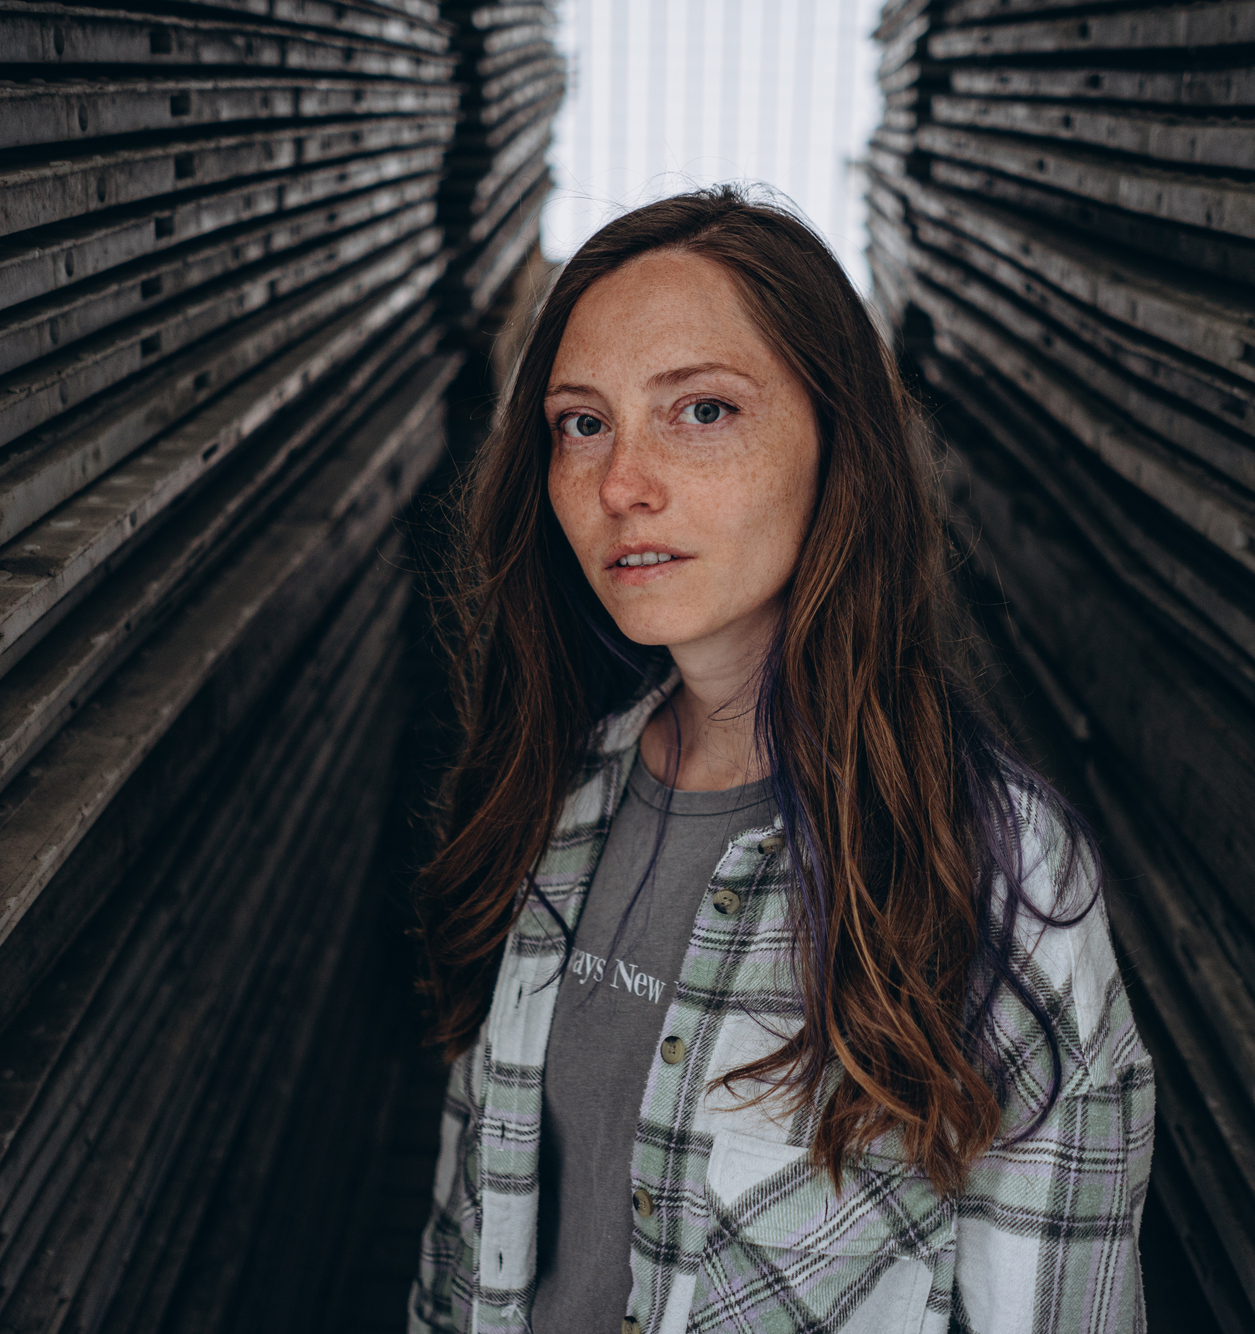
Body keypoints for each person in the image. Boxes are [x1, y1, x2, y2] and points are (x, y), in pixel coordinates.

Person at [408, 186, 1154, 1334]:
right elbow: (464, 1238)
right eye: (581, 421)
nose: (620, 484)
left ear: (836, 437)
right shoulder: (552, 795)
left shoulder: (1005, 881)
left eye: (701, 410)